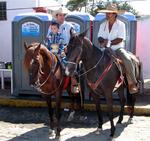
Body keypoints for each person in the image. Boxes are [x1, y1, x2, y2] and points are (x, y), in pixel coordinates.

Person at [97, 3, 138, 94]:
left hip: (118, 49)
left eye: (110, 13)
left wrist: (109, 42)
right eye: (107, 13)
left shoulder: (121, 24)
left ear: (115, 14)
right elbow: (99, 37)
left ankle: (132, 83)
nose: (108, 15)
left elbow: (120, 38)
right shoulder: (103, 24)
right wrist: (102, 41)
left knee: (127, 60)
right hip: (105, 50)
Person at [47, 7, 79, 93]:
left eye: (63, 15)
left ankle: (75, 86)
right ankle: (46, 84)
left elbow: (75, 39)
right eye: (60, 15)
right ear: (56, 16)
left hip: (67, 51)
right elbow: (48, 39)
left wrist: (68, 47)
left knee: (72, 67)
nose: (62, 17)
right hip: (53, 50)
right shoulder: (51, 27)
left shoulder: (69, 26)